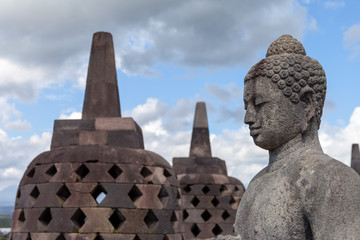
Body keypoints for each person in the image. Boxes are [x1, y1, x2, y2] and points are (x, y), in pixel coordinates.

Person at [213, 35, 360, 240]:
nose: (248, 118)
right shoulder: (257, 182)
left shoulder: (332, 180)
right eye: (246, 107)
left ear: (306, 106)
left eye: (260, 104)